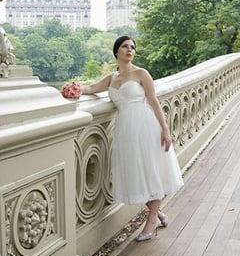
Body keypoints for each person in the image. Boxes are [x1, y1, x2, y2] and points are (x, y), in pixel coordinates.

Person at [66, 36, 184, 241]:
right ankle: (157, 213)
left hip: (145, 126)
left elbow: (154, 101)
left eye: (132, 47)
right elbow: (91, 89)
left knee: (150, 172)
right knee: (134, 176)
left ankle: (151, 220)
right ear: (117, 51)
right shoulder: (112, 78)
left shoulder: (141, 73)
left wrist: (165, 130)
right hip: (125, 131)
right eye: (125, 46)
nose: (129, 50)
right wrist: (73, 90)